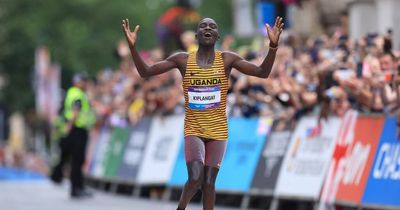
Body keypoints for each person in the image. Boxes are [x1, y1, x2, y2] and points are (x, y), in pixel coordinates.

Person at [122, 16, 283, 210]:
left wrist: (273, 47)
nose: (208, 28)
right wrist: (133, 48)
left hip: (218, 132)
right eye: (203, 26)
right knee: (196, 178)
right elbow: (146, 72)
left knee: (208, 182)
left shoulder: (226, 59)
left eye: (212, 26)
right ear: (197, 35)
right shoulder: (182, 59)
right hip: (194, 129)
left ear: (217, 35)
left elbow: (261, 72)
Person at [50, 72, 96, 198]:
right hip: (77, 130)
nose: (86, 83)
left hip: (74, 130)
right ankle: (76, 188)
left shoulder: (71, 92)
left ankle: (77, 186)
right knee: (77, 161)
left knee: (75, 160)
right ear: (78, 82)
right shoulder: (78, 94)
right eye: (84, 81)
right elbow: (75, 112)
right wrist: (69, 127)